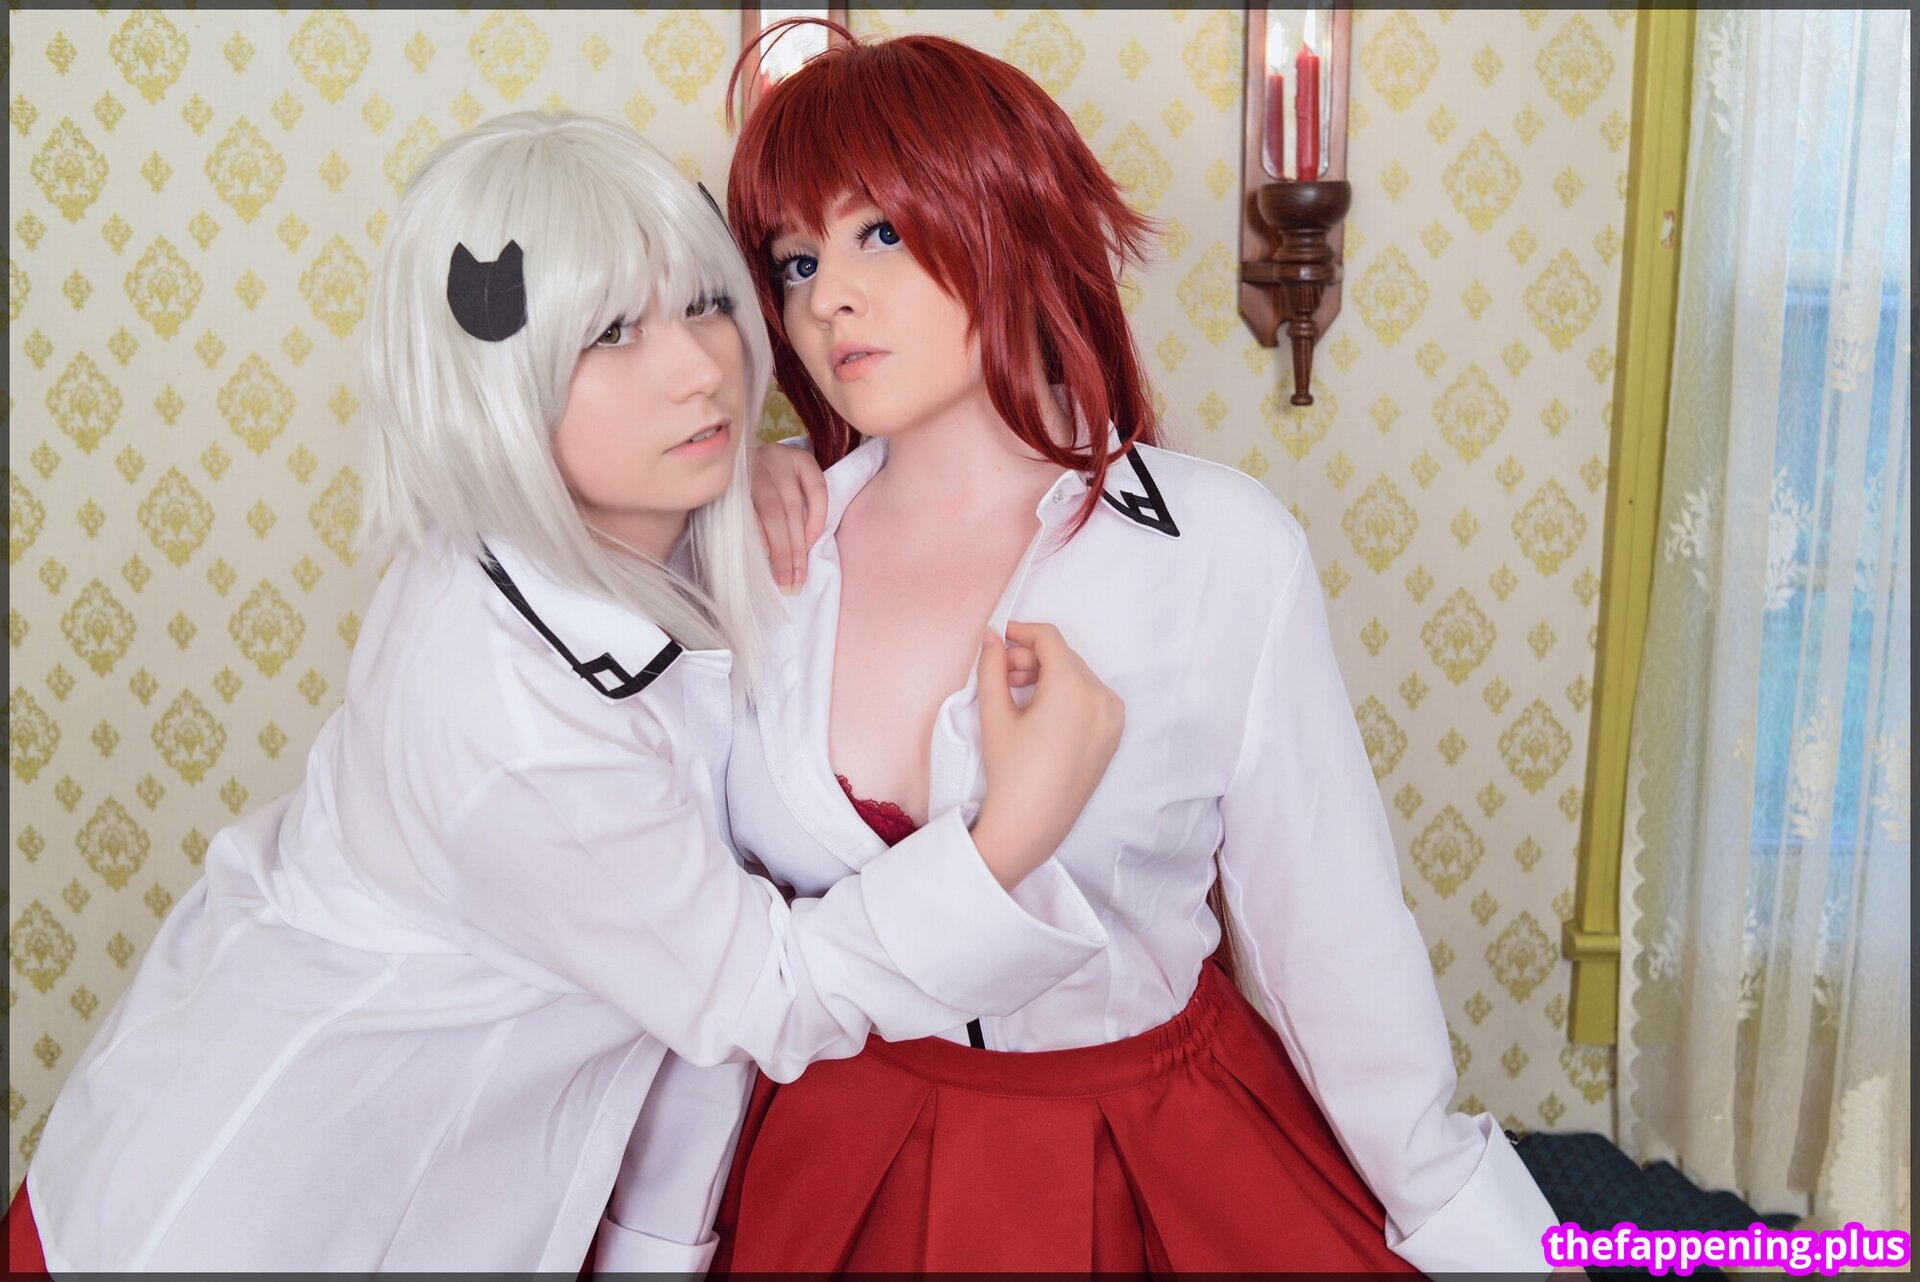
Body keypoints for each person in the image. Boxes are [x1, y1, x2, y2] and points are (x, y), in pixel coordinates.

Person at [4, 111, 1123, 1273]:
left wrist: (748, 472)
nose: (701, 369)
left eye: (705, 304)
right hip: (259, 1219)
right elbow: (765, 994)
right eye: (611, 333)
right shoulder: (511, 718)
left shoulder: (604, 533)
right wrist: (1008, 836)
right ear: (496, 374)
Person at [714, 25, 1566, 1274]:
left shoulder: (1221, 548)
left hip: (1148, 1150)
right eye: (795, 260)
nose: (827, 296)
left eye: (879, 233)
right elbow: (703, 947)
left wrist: (1484, 1238)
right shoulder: (750, 554)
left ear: (1010, 216)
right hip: (829, 1158)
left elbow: (1329, 942)